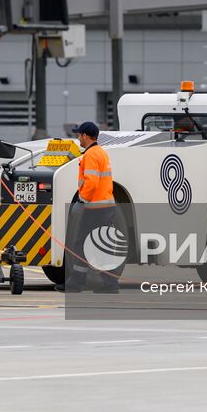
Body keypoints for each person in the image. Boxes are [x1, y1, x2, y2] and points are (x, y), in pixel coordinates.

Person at [59, 121, 119, 293]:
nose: (78, 139)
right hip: (105, 207)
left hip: (95, 208)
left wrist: (82, 201)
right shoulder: (101, 153)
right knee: (99, 245)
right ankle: (109, 284)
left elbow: (91, 182)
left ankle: (77, 283)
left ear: (85, 136)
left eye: (79, 135)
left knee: (82, 244)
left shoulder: (91, 155)